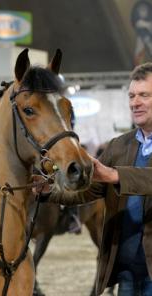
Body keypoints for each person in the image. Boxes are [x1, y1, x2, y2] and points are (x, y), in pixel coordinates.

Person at [68, 62, 152, 295]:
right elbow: (89, 189)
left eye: (144, 95)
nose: (135, 102)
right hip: (126, 269)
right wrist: (49, 190)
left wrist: (115, 175)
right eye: (132, 96)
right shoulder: (118, 146)